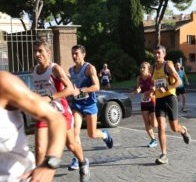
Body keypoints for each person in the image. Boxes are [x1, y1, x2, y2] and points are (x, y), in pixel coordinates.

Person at [32, 38, 90, 181]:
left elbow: (70, 89)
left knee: (70, 144)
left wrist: (50, 97)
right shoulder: (34, 70)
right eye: (35, 51)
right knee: (39, 150)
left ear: (48, 52)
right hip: (44, 114)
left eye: (40, 51)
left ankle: (83, 162)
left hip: (61, 113)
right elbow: (38, 91)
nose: (37, 54)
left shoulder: (55, 69)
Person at [0, 71, 67, 182]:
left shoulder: (4, 83)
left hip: (18, 176)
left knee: (73, 143)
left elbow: (56, 119)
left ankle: (82, 162)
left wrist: (50, 164)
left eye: (40, 51)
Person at [68, 45, 113, 170]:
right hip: (77, 104)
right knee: (75, 131)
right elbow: (72, 87)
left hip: (89, 104)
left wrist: (82, 90)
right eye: (72, 53)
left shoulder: (89, 68)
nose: (74, 56)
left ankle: (105, 135)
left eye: (76, 53)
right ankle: (77, 159)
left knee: (92, 134)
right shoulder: (71, 70)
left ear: (83, 54)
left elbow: (96, 86)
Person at [152, 45, 191, 164]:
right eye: (155, 53)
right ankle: (164, 154)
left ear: (164, 54)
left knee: (174, 128)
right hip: (159, 100)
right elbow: (155, 84)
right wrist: (152, 91)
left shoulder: (167, 65)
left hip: (170, 98)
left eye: (159, 53)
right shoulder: (153, 67)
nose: (156, 55)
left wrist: (167, 87)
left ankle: (183, 130)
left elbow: (179, 82)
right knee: (161, 127)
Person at [132, 62, 158, 148]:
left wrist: (150, 92)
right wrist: (136, 91)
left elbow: (154, 88)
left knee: (154, 124)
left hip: (152, 101)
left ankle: (160, 121)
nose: (142, 69)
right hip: (144, 102)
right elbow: (139, 88)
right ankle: (153, 140)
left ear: (148, 69)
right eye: (141, 67)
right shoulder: (139, 78)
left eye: (144, 68)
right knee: (146, 122)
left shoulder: (151, 77)